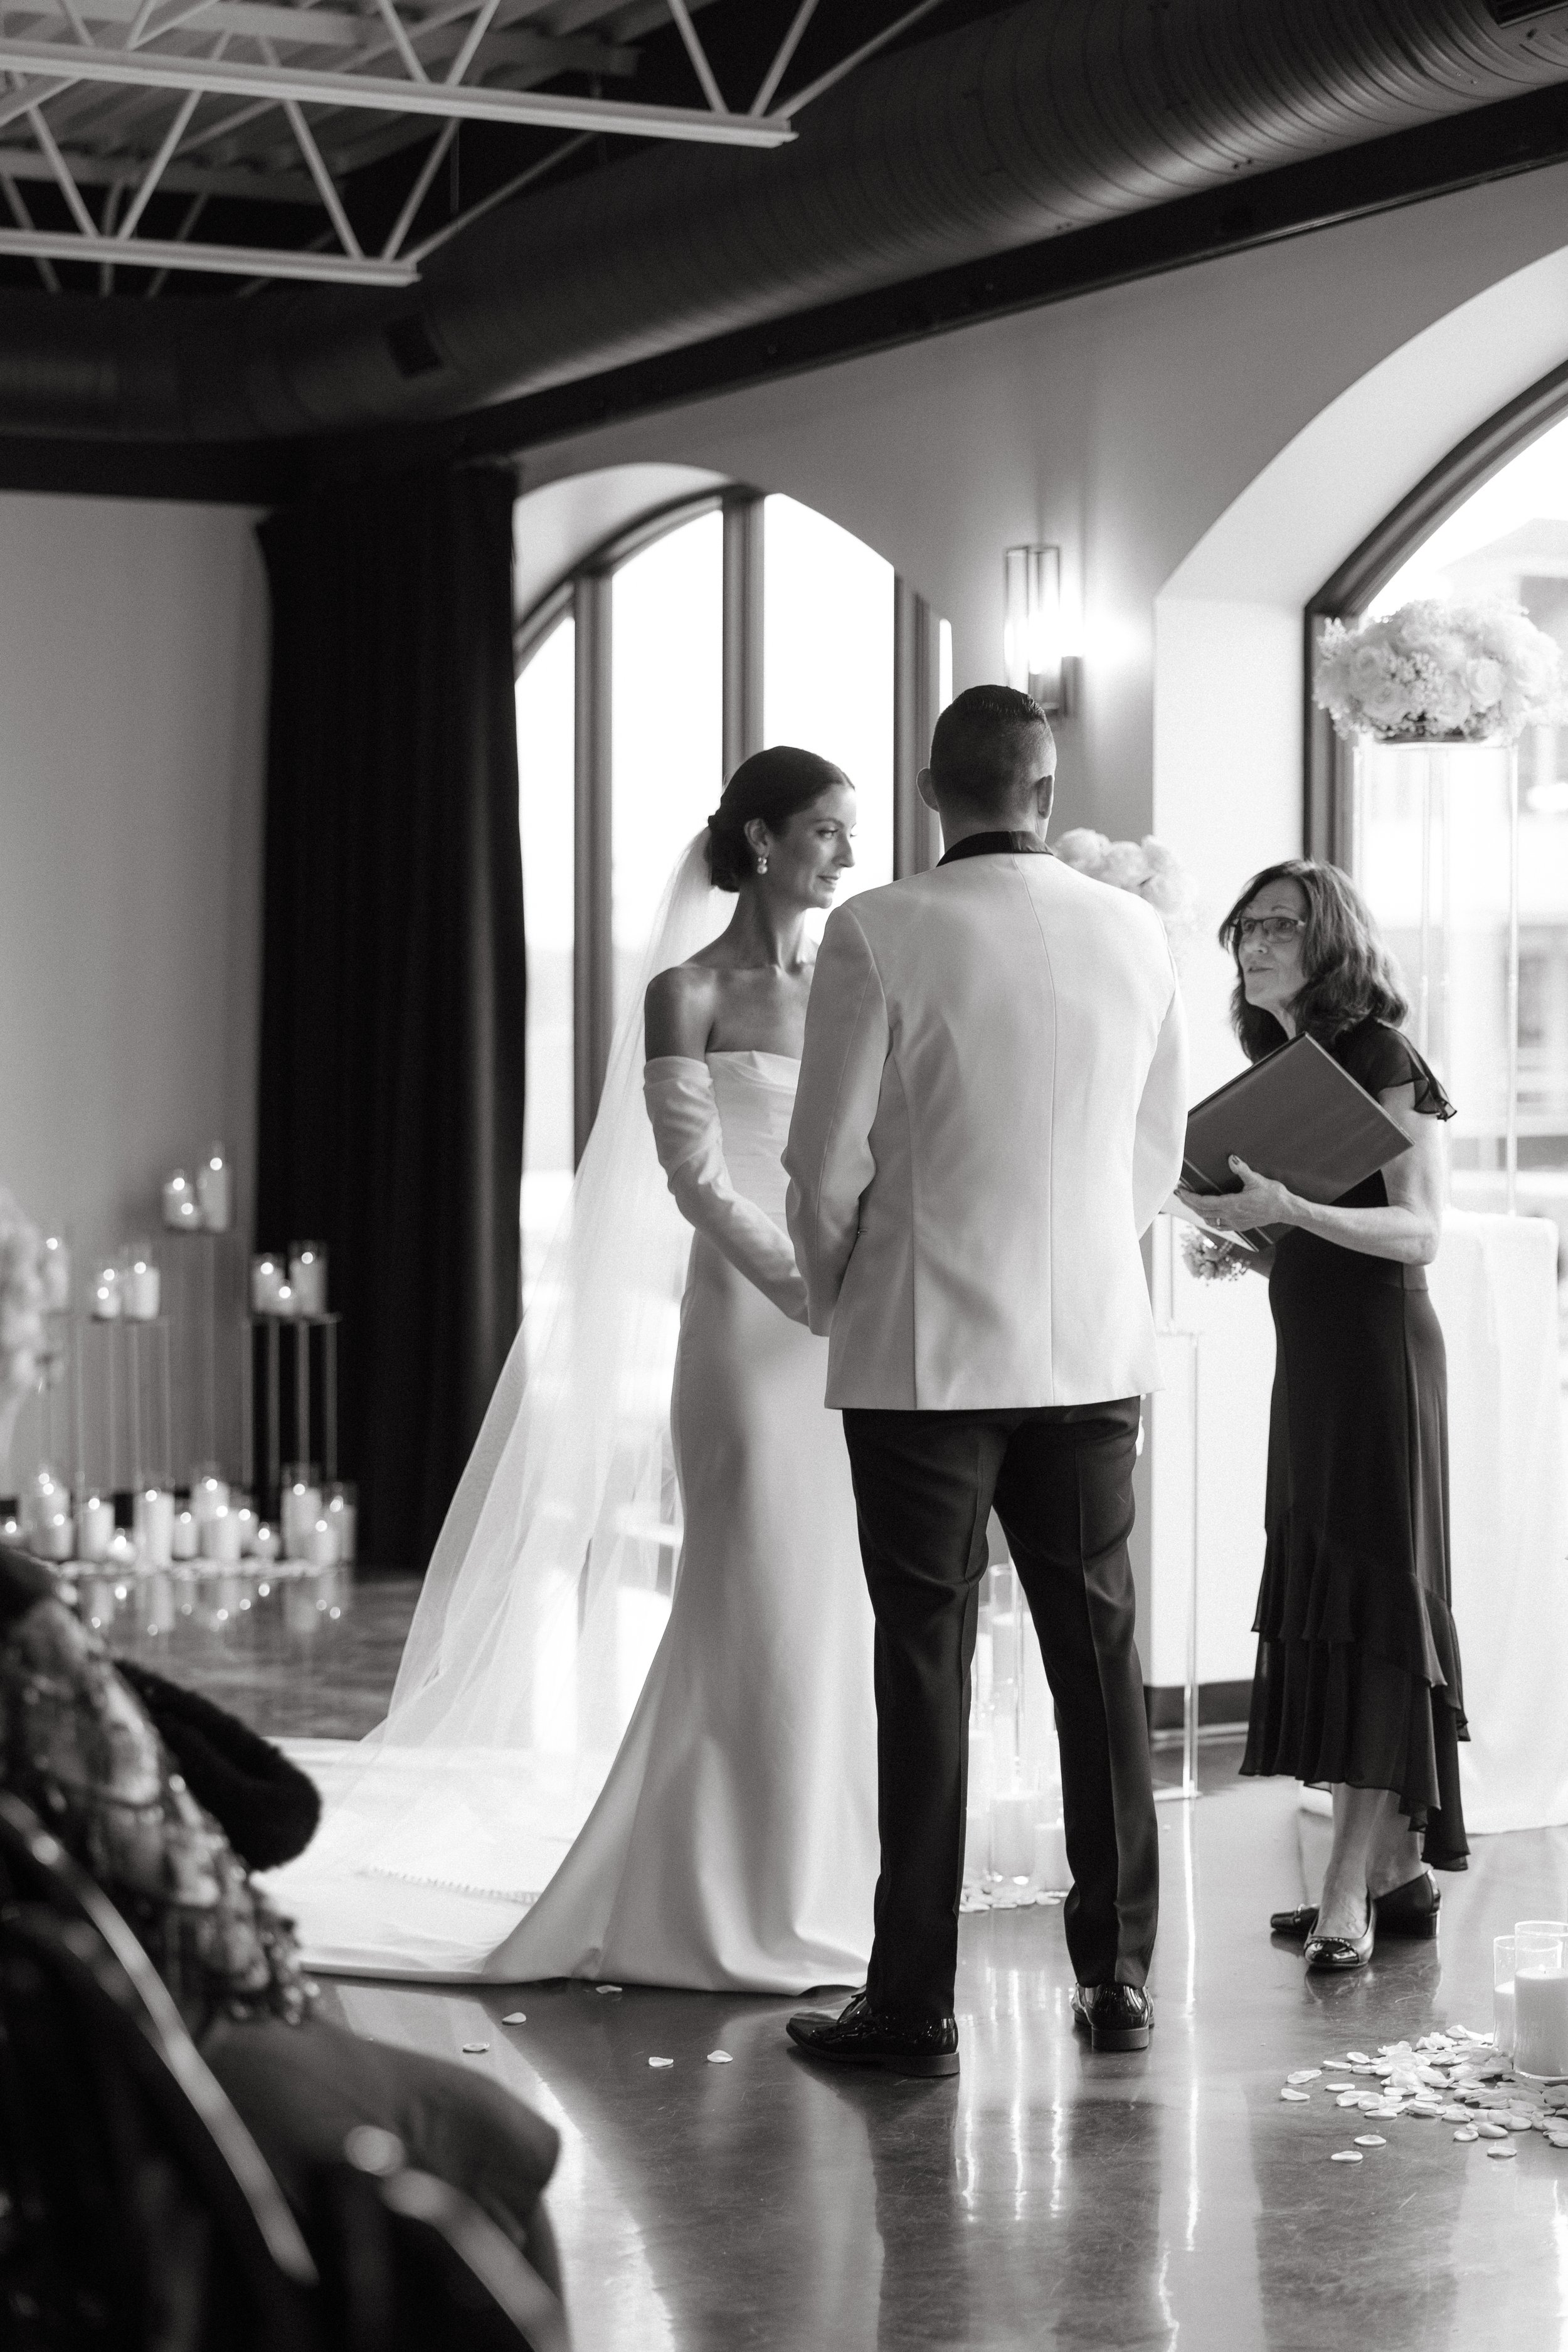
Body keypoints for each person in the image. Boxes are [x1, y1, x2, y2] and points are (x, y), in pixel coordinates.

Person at [268, 748, 877, 1994]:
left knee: (831, 1598)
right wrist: (802, 1286)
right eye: (825, 831)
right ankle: (707, 1884)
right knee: (749, 1582)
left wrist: (864, 1278)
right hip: (750, 1324)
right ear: (762, 841)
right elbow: (693, 1179)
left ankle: (818, 1875)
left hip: (850, 1319)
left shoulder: (852, 988)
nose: (847, 857)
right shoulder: (685, 991)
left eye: (849, 833)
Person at [782, 684, 1189, 2076]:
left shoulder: (878, 930)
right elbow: (1154, 1149)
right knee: (1099, 1660)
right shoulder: (1135, 931)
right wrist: (1082, 1263)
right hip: (1090, 1350)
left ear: (928, 790)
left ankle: (912, 2003)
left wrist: (837, 1296)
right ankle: (1118, 1979)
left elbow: (822, 1165)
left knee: (924, 1669)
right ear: (1047, 787)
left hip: (925, 1352)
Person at [0, 1540, 564, 2293]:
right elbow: (272, 1818)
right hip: (146, 2062)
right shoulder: (30, 1639)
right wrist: (107, 1668)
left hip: (48, 2076)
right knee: (491, 2135)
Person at [1177, 859, 1465, 1973]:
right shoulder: (1286, 1069)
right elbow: (1316, 1242)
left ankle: (1349, 1888)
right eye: (1244, 928)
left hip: (1383, 1362)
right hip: (1315, 1364)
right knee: (1334, 1599)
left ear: (1331, 939)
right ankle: (1394, 1874)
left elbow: (1419, 1231)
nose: (1255, 945)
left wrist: (1288, 1208)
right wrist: (1246, 1238)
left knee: (1375, 1600)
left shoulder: (1383, 1056)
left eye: (1279, 926)